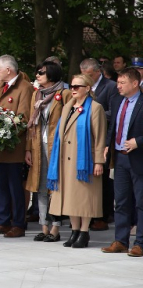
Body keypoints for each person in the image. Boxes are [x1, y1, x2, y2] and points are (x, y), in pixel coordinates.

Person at [48, 74, 107, 248]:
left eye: (77, 87)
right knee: (71, 198)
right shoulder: (68, 106)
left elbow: (99, 137)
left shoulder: (95, 108)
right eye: (71, 86)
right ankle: (74, 230)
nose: (72, 90)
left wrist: (98, 162)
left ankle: (84, 232)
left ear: (88, 88)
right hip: (66, 160)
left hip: (84, 160)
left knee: (84, 197)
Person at [0, 55, 33, 238]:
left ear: (8, 70)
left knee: (15, 187)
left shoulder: (24, 88)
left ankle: (18, 223)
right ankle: (2, 221)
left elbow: (24, 118)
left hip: (14, 147)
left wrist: (3, 133)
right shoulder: (0, 87)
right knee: (1, 186)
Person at [24, 61, 69, 242]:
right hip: (37, 145)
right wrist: (28, 148)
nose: (37, 75)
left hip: (56, 146)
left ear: (51, 74)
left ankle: (55, 228)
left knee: (55, 186)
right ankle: (44, 227)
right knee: (40, 186)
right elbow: (31, 123)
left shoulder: (64, 94)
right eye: (36, 72)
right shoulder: (37, 94)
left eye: (41, 72)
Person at [102, 68, 143, 256]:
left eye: (122, 83)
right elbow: (113, 126)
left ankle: (140, 243)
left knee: (140, 201)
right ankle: (120, 240)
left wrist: (138, 141)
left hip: (138, 157)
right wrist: (107, 146)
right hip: (119, 157)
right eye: (117, 82)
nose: (118, 86)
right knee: (121, 201)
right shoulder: (117, 100)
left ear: (135, 83)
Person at [80, 58, 118, 231]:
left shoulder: (110, 86)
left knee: (102, 176)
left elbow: (114, 111)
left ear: (98, 72)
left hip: (103, 136)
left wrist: (95, 114)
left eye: (88, 75)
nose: (85, 78)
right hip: (85, 137)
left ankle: (104, 215)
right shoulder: (82, 88)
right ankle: (89, 213)